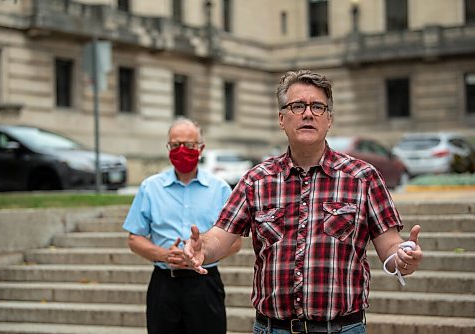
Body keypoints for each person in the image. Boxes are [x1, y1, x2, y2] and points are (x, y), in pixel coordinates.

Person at [183, 70, 423, 334]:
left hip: (342, 329)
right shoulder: (256, 180)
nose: (308, 113)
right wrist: (202, 247)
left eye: (318, 107)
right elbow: (220, 237)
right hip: (272, 328)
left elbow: (389, 247)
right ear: (281, 118)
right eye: (298, 106)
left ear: (329, 119)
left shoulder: (363, 178)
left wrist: (401, 258)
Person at [123, 117, 242, 334]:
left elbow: (234, 242)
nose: (181, 150)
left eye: (188, 145)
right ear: (168, 147)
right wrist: (163, 254)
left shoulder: (220, 189)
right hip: (164, 284)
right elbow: (134, 238)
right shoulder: (150, 188)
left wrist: (204, 253)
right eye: (175, 145)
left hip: (205, 284)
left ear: (201, 148)